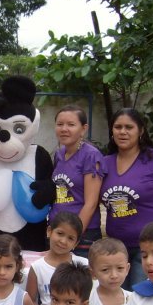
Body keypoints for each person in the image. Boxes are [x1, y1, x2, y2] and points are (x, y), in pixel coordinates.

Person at [100, 108, 153, 290]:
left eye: (129, 127)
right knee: (117, 299)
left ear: (141, 130)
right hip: (116, 249)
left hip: (150, 248)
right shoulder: (104, 163)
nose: (123, 132)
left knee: (141, 295)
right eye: (118, 127)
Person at [50, 105, 106, 257]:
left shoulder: (91, 155)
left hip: (81, 234)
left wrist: (72, 235)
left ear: (83, 129)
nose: (64, 129)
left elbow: (91, 203)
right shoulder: (59, 154)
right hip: (58, 231)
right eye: (60, 124)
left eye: (71, 124)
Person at [26, 211, 88, 305]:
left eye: (70, 238)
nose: (63, 241)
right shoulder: (37, 267)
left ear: (76, 243)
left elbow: (89, 300)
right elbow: (29, 301)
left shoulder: (84, 264)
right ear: (49, 231)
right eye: (60, 234)